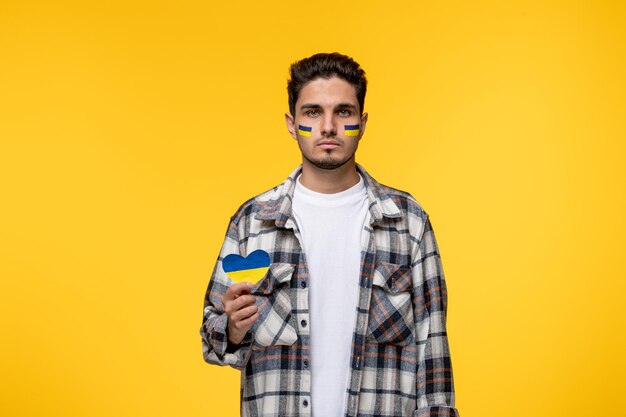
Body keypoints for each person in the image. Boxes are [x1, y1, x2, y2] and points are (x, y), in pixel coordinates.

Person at [200, 52, 460, 417]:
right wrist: (231, 328)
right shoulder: (252, 221)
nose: (327, 127)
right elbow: (211, 338)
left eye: (343, 112)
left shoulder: (408, 222)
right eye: (312, 112)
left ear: (362, 121)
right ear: (292, 123)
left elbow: (433, 346)